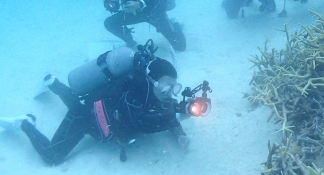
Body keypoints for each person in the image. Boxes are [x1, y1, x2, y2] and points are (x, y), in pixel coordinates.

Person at [0, 48, 188, 165]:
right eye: (166, 86)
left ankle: (52, 82)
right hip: (86, 118)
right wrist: (179, 116)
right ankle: (25, 123)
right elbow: (143, 124)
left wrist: (180, 133)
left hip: (91, 102)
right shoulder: (133, 96)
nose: (169, 92)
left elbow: (168, 111)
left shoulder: (151, 90)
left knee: (76, 101)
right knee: (52, 156)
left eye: (174, 87)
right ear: (151, 80)